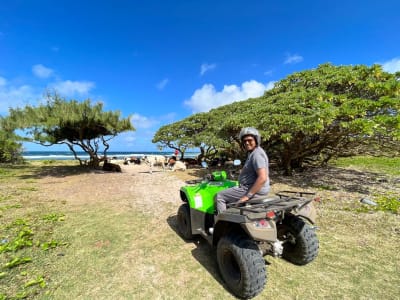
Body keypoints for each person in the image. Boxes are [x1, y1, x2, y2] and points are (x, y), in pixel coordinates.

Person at [215, 127, 270, 213]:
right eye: (244, 141)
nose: (247, 143)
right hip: (254, 188)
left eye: (250, 140)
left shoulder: (257, 155)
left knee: (220, 196)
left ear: (256, 140)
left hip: (250, 189)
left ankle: (222, 223)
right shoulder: (254, 152)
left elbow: (262, 177)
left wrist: (247, 196)